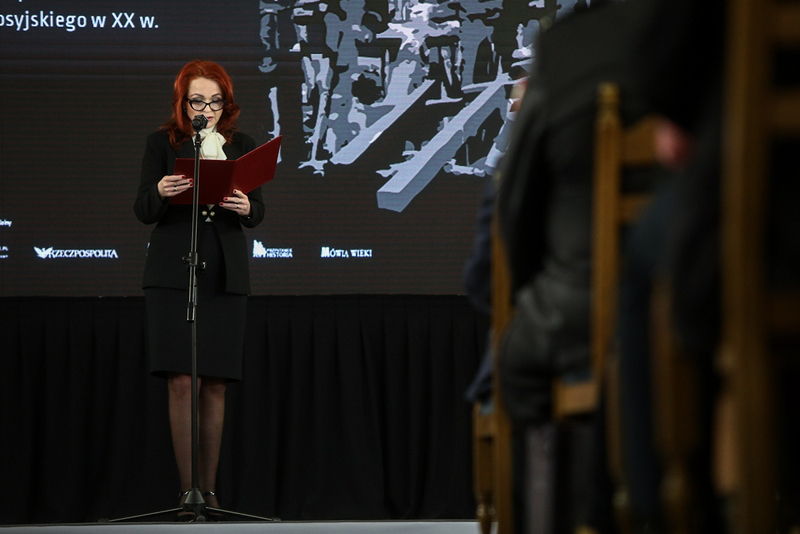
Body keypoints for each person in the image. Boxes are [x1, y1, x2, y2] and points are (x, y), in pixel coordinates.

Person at [134, 59, 265, 521]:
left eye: (213, 101)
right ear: (183, 103)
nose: (204, 109)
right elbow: (143, 209)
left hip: (224, 274)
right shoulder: (162, 143)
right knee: (181, 381)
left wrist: (246, 204)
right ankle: (186, 493)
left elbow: (256, 213)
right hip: (173, 273)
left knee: (214, 385)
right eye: (196, 101)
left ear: (224, 105)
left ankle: (209, 494)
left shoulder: (241, 144)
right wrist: (163, 190)